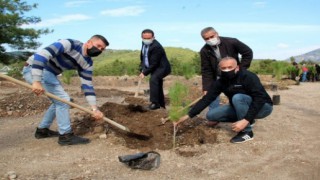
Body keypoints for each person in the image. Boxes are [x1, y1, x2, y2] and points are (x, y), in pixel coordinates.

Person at [25, 35, 109, 146]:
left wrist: (95, 109)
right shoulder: (70, 44)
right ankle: (65, 136)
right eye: (98, 46)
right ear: (89, 42)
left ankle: (42, 130)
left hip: (50, 74)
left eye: (102, 49)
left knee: (59, 101)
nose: (99, 50)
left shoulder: (87, 63)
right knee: (63, 100)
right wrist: (36, 81)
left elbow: (87, 86)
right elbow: (42, 55)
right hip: (35, 68)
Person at [174, 57, 273, 144]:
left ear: (237, 67)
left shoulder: (248, 77)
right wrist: (188, 116)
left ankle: (246, 132)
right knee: (211, 115)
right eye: (224, 68)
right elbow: (207, 99)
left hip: (263, 107)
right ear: (220, 69)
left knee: (238, 97)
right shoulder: (220, 82)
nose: (227, 70)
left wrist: (245, 120)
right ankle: (248, 119)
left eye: (230, 67)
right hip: (241, 106)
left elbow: (259, 98)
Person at [200, 27, 253, 110]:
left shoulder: (232, 42)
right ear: (204, 39)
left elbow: (248, 52)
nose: (210, 39)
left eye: (212, 36)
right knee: (210, 93)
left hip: (235, 74)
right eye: (207, 38)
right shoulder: (204, 51)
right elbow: (206, 70)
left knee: (236, 95)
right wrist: (206, 87)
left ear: (217, 34)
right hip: (218, 76)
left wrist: (241, 68)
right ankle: (214, 115)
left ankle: (242, 114)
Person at [139, 29, 171, 110]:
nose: (146, 40)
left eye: (148, 38)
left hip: (162, 67)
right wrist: (142, 68)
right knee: (157, 85)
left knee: (153, 79)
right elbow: (144, 56)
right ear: (141, 37)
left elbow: (154, 63)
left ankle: (155, 103)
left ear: (153, 37)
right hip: (154, 68)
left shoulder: (156, 47)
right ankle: (161, 104)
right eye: (144, 38)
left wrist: (144, 73)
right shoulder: (143, 43)